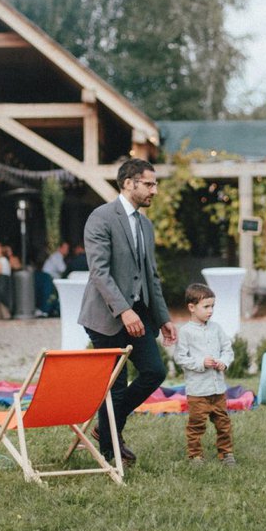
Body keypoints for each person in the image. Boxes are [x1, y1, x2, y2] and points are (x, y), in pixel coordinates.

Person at [78, 158, 176, 465]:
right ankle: (110, 452)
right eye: (148, 184)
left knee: (155, 372)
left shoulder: (146, 225)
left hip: (140, 315)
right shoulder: (101, 217)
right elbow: (99, 272)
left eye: (155, 184)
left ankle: (104, 428)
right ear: (128, 183)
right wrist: (123, 311)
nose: (154, 190)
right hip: (105, 317)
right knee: (116, 386)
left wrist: (163, 319)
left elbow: (151, 276)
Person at [172, 283, 236, 466]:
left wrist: (224, 362)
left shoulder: (216, 328)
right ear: (192, 307)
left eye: (212, 306)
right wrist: (201, 363)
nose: (210, 311)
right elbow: (181, 358)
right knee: (196, 425)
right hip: (198, 392)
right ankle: (195, 455)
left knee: (224, 424)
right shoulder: (185, 332)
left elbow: (227, 349)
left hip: (218, 390)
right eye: (206, 307)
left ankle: (226, 453)